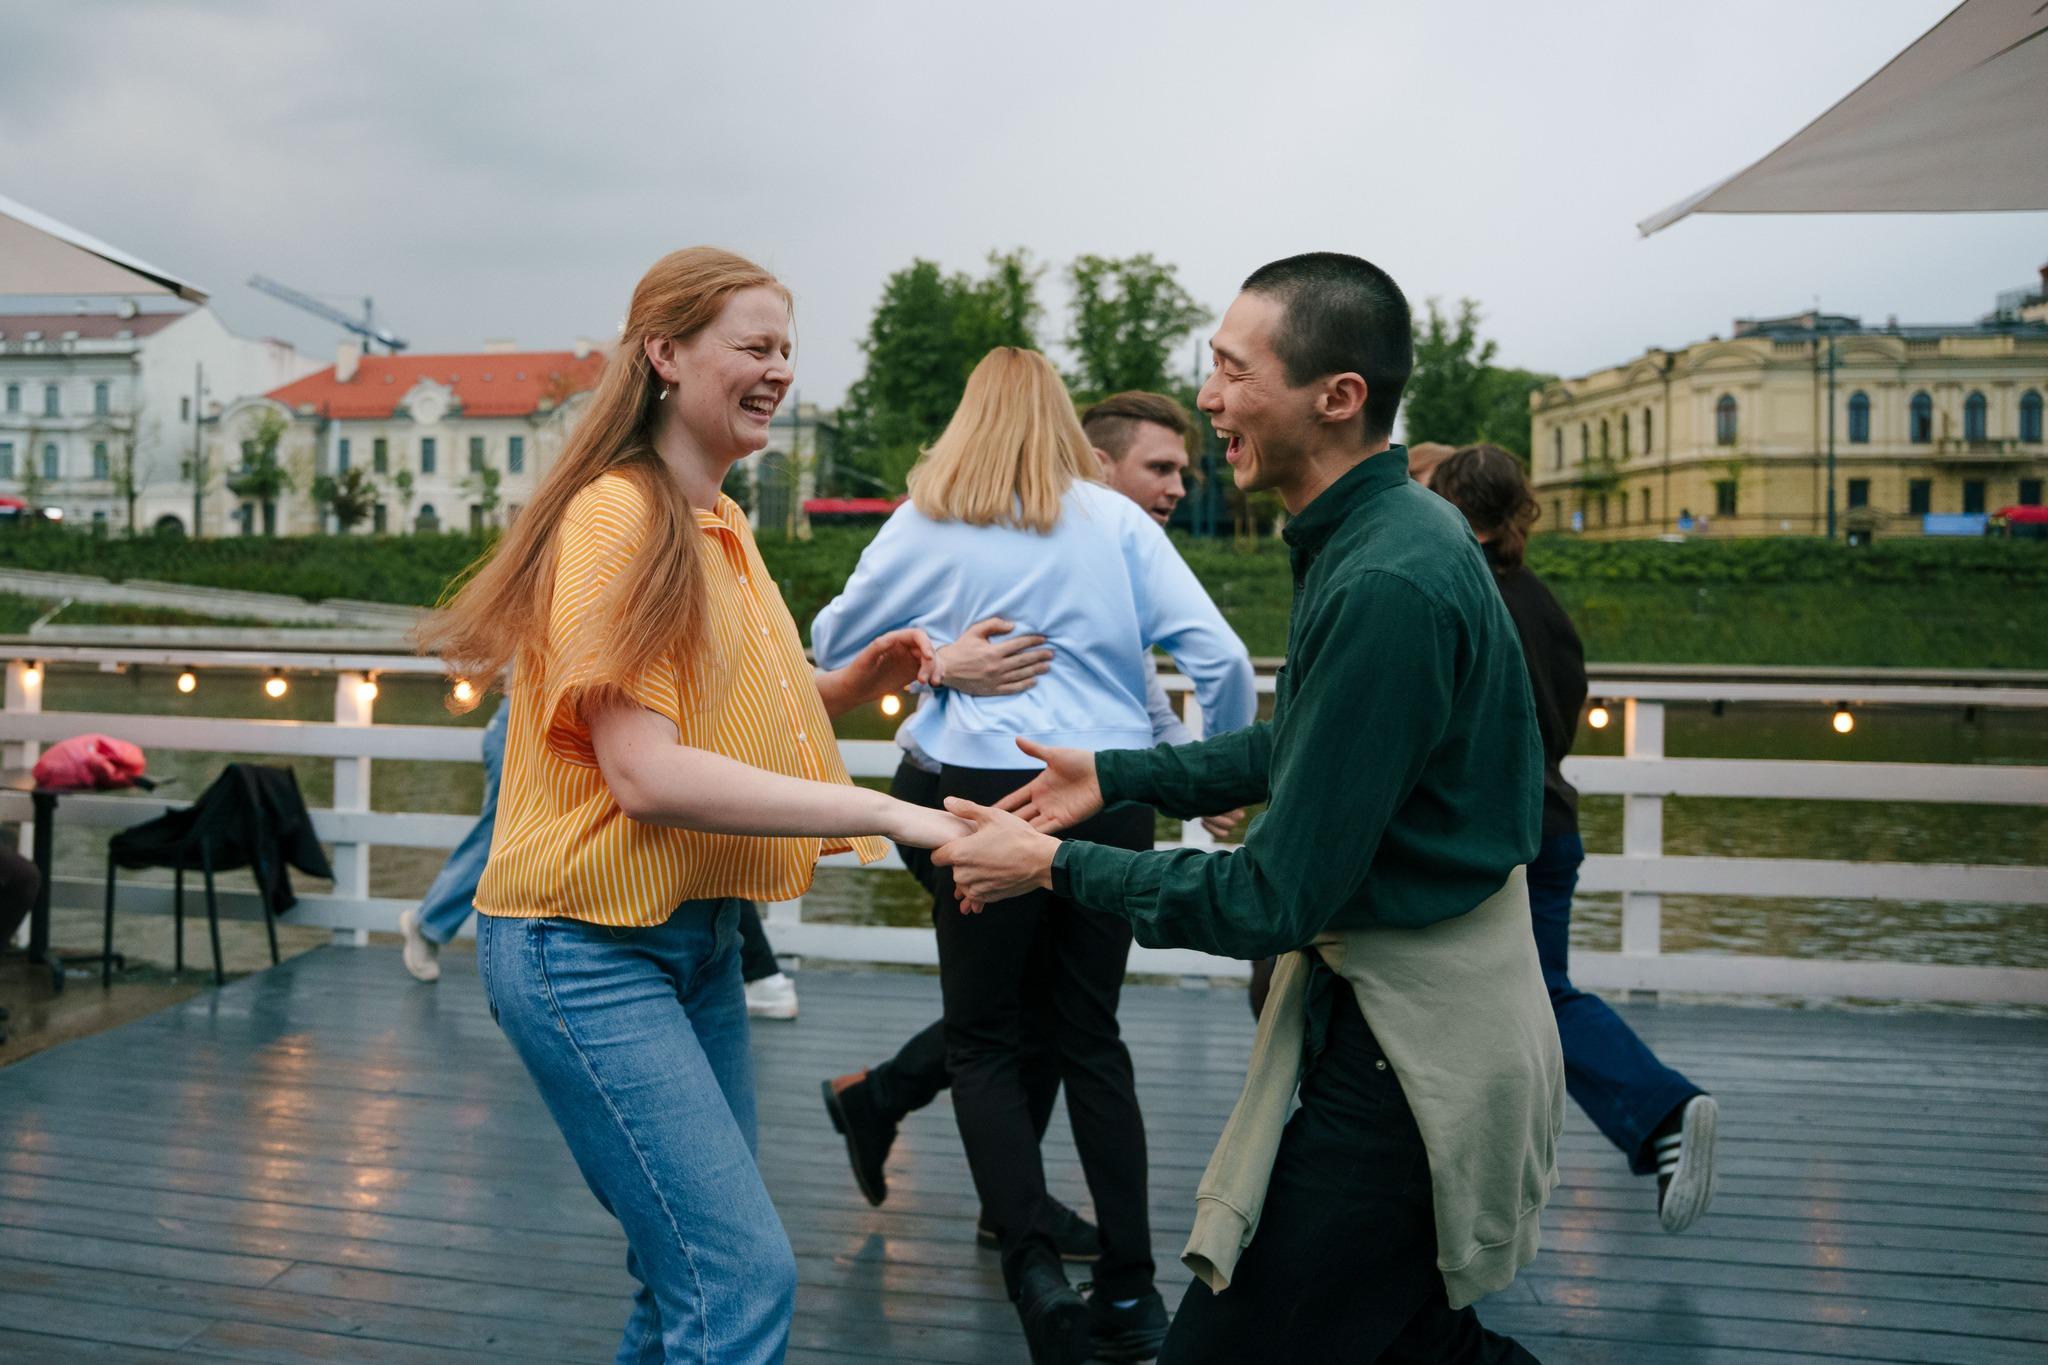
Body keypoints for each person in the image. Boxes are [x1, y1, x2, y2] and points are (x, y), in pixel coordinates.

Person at [934, 253, 1563, 1363]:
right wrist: (1119, 775)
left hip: (1408, 1056)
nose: (1209, 397)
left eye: (1233, 370)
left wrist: (1053, 867)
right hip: (1408, 1028)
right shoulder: (1386, 535)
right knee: (1415, 1347)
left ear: (1338, 396)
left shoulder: (1385, 578)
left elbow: (1273, 898)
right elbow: (1315, 747)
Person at [417, 246, 969, 1365]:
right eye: (754, 346)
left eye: (786, 350)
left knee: (680, 1275)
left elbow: (713, 700)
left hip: (697, 937)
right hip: (585, 947)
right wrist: (891, 813)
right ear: (665, 354)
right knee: (738, 1275)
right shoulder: (616, 517)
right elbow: (645, 772)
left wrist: (845, 684)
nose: (780, 370)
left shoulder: (719, 522)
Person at [810, 352, 1256, 1365]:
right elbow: (1221, 658)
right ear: (1065, 422)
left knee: (985, 1038)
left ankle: (1032, 1271)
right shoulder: (1115, 522)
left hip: (977, 791)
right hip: (1105, 788)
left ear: (966, 419)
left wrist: (933, 652)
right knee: (1089, 1034)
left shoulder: (924, 521)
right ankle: (1133, 1290)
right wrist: (1216, 769)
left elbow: (834, 642)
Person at [1429, 443, 1719, 1232]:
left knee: (1531, 996)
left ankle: (1661, 1107)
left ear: (1451, 504)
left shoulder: (1459, 591)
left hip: (1494, 829)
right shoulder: (1542, 601)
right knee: (1506, 1001)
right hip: (1551, 818)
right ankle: (1467, 1178)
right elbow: (1565, 708)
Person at [395, 696, 805, 1018]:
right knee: (506, 841)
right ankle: (430, 924)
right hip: (537, 725)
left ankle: (752, 971)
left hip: (579, 725)